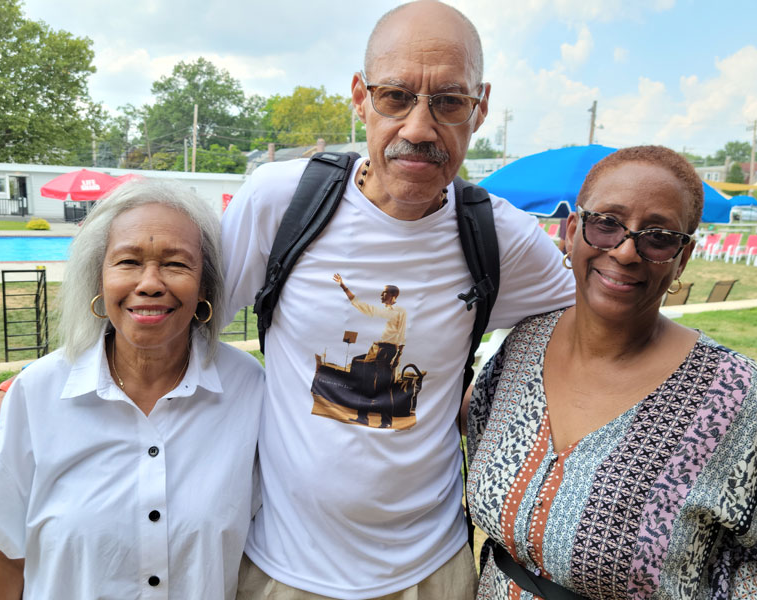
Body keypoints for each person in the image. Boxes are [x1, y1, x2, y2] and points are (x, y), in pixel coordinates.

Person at [224, 2, 575, 598]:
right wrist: (12, 392)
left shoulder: (501, 238)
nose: (418, 128)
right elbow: (180, 328)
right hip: (280, 566)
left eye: (448, 101)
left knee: (377, 367)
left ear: (479, 107)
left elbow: (600, 331)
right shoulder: (280, 203)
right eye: (395, 97)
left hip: (430, 571)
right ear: (360, 96)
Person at [467, 146, 757, 598]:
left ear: (682, 257)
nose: (627, 251)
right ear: (573, 230)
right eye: (607, 223)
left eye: (657, 236)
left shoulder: (740, 398)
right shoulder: (521, 348)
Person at [0, 179, 264, 599]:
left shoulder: (248, 389)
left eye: (176, 264)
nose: (150, 283)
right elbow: (6, 554)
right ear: (99, 278)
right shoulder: (37, 393)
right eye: (128, 261)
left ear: (205, 286)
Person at [333, 274, 406, 427]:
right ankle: (362, 416)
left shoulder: (399, 312)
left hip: (387, 351)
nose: (381, 295)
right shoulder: (380, 311)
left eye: (384, 292)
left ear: (393, 296)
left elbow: (402, 335)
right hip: (375, 349)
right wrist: (343, 286)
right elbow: (359, 304)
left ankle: (386, 421)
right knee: (364, 381)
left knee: (383, 385)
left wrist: (397, 355)